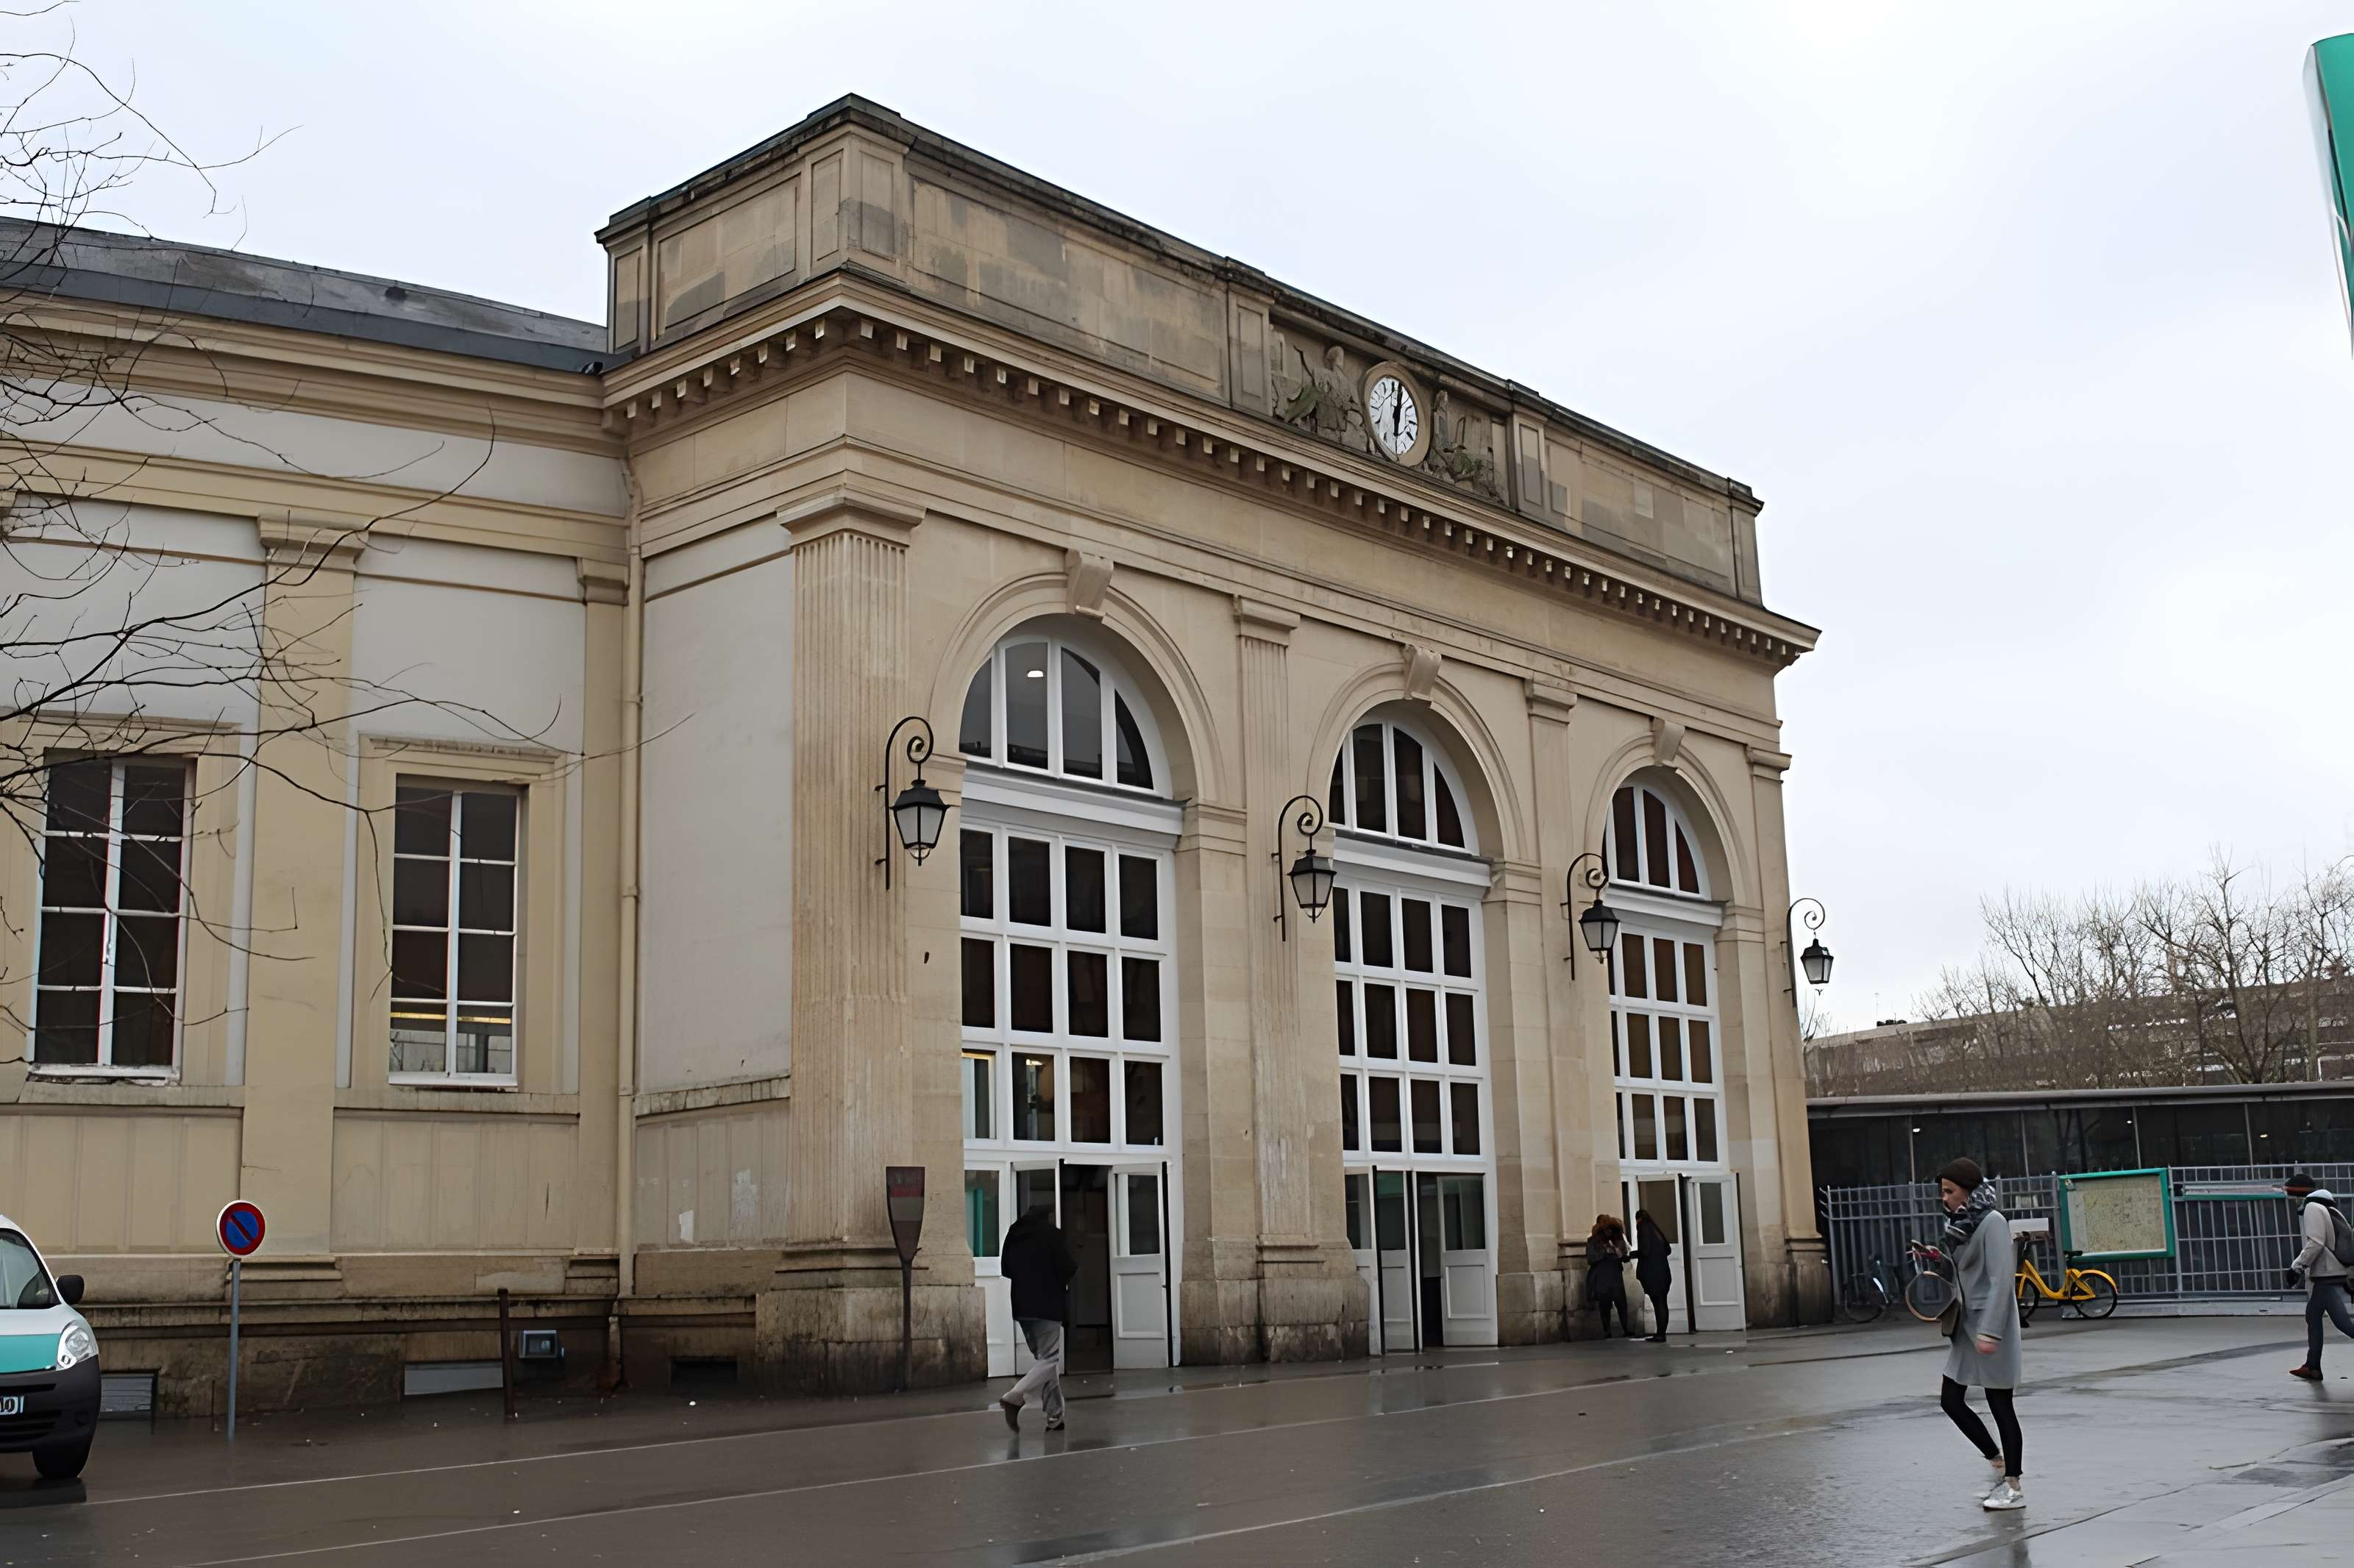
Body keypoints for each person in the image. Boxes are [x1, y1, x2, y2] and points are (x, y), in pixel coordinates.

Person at [1933, 1157, 2025, 1511]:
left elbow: (2003, 1279)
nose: (1945, 1198)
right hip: (1965, 1328)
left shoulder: (1993, 1223)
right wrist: (1936, 1258)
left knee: (2001, 1405)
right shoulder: (1961, 1225)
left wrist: (1990, 1333)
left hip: (1991, 1328)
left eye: (1950, 1191)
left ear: (1968, 1191)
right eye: (1942, 1191)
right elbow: (1963, 1271)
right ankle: (1996, 1461)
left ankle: (2014, 1486)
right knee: (1950, 1400)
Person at [996, 1203, 1078, 1432]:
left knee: (1044, 1361)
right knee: (1049, 1360)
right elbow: (1067, 1267)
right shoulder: (1052, 1235)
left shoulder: (1014, 1233)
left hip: (1023, 1307)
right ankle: (1015, 1397)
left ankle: (1055, 1417)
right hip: (1048, 1305)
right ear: (1047, 1217)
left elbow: (1006, 1269)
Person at [2281, 1172, 2354, 1383]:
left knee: (2344, 1325)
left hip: (2326, 1273)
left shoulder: (2312, 1208)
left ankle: (2312, 1366)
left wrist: (2297, 1266)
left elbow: (2316, 1242)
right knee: (2313, 1317)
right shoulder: (2330, 1207)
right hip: (2333, 1271)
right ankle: (2312, 1366)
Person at [1584, 1215, 1633, 1339]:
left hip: (1615, 1276)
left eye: (1610, 1230)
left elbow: (1626, 1257)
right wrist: (1605, 1252)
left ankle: (1626, 1328)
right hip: (1602, 1277)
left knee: (1621, 1303)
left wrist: (1619, 1252)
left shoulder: (1616, 1238)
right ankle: (1607, 1330)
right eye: (1606, 1230)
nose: (1609, 1232)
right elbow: (1591, 1259)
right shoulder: (1593, 1241)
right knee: (1604, 1305)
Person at [1632, 1209, 1674, 1342]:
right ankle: (1662, 1333)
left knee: (1658, 1303)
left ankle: (1660, 1334)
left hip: (1653, 1273)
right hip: (1663, 1271)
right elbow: (1668, 1250)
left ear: (1639, 1219)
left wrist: (1631, 1255)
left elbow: (1645, 1251)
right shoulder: (1656, 1230)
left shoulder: (1643, 1229)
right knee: (1662, 1302)